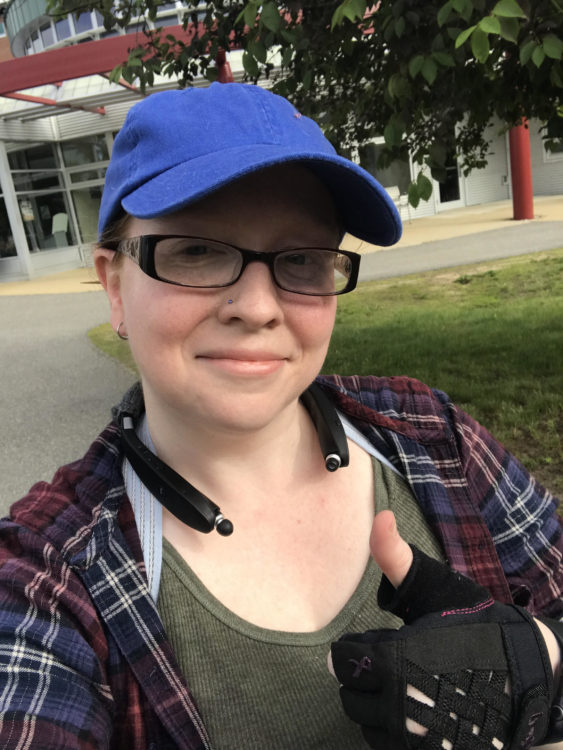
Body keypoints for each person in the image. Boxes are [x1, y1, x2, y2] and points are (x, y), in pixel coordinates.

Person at [0, 82, 561, 750]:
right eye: (198, 251)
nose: (258, 307)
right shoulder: (47, 575)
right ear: (115, 286)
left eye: (299, 259)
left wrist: (541, 665)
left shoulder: (433, 438)